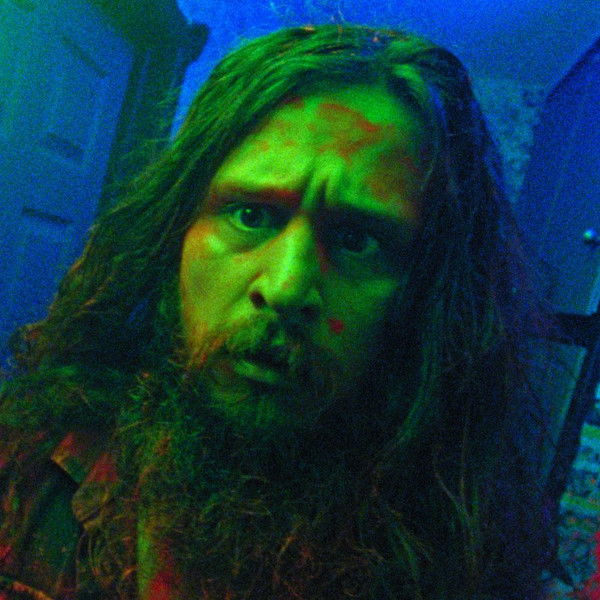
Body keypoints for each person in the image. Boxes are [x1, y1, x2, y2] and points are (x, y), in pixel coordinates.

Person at [0, 22, 557, 600]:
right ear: (174, 233)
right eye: (250, 214)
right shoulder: (25, 468)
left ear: (430, 296)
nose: (287, 288)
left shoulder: (459, 565)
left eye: (357, 240)